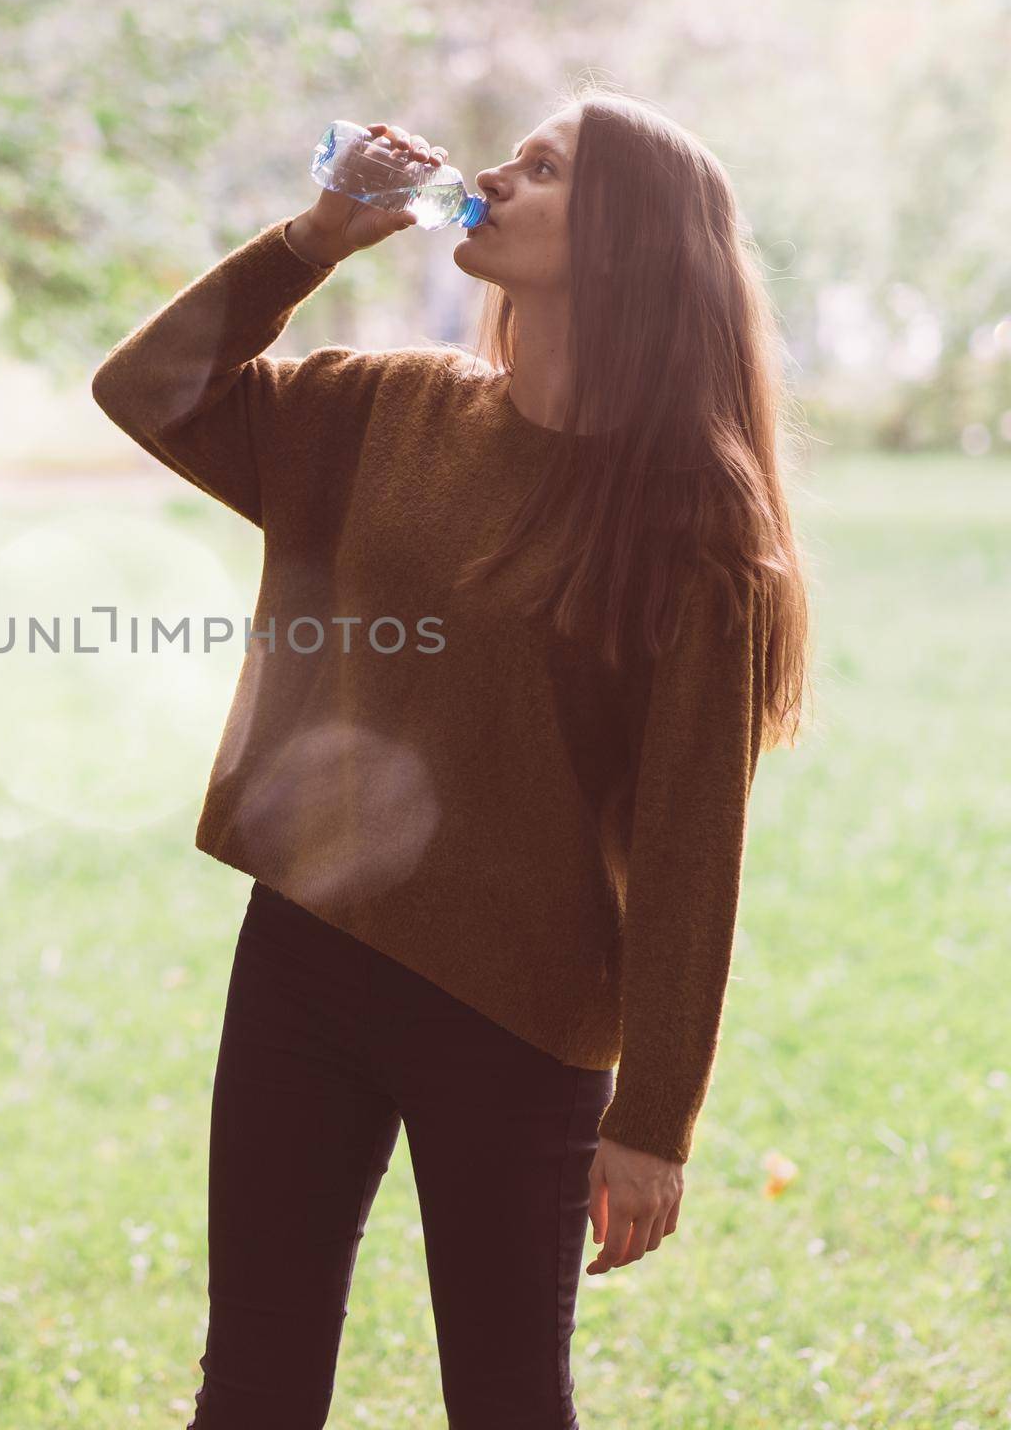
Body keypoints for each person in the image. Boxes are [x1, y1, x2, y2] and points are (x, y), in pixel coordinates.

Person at [90, 79, 814, 1429]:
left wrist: (656, 1115)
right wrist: (311, 241)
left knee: (505, 1401)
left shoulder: (697, 530)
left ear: (627, 250)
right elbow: (144, 390)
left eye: (543, 170)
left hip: (518, 1015)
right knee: (250, 1385)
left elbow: (689, 847)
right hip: (305, 956)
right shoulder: (384, 413)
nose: (496, 173)